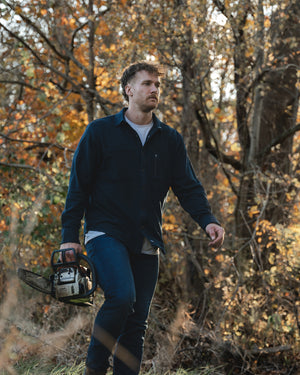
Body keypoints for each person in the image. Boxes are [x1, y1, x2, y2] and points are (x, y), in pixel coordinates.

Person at [60, 61, 225, 375]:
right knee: (122, 297)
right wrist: (70, 234)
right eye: (147, 83)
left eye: (157, 85)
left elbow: (188, 187)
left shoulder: (170, 139)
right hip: (104, 232)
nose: (154, 90)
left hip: (147, 239)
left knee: (136, 323)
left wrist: (208, 220)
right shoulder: (100, 132)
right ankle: (94, 369)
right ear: (129, 89)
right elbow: (78, 186)